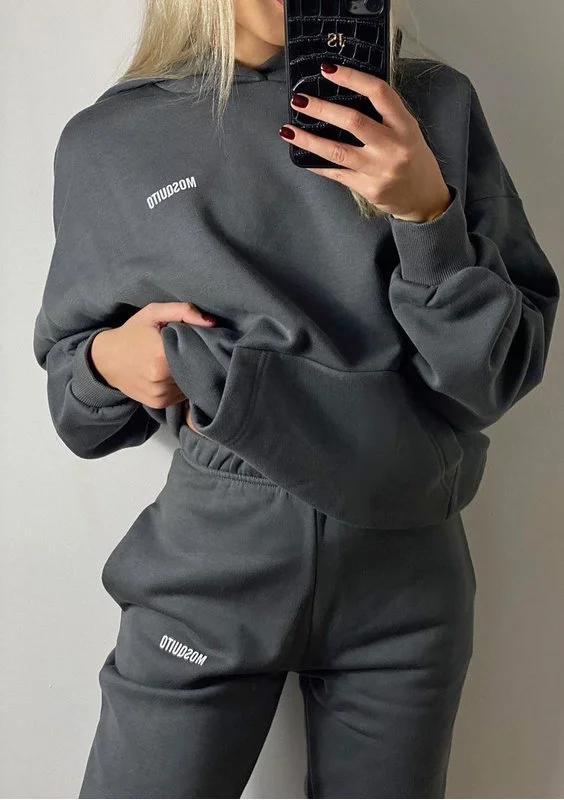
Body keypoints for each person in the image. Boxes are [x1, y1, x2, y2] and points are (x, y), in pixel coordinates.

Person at [32, 0, 560, 796]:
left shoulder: (433, 105)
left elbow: (498, 373)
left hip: (407, 575)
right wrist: (110, 361)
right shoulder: (113, 140)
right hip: (214, 561)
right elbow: (75, 407)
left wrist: (427, 214)